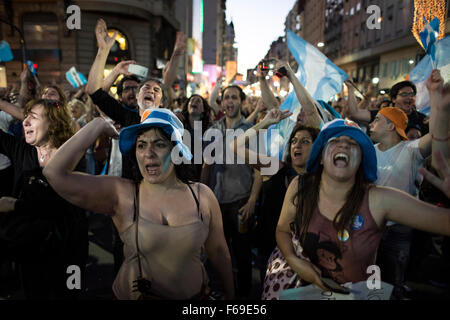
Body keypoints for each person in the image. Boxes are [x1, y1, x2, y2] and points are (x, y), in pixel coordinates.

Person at [43, 108, 235, 300]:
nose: (148, 153)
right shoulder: (122, 194)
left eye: (159, 144)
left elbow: (219, 252)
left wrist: (232, 297)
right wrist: (98, 124)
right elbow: (54, 173)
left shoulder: (202, 196)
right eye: (141, 145)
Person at [275, 119, 450, 298]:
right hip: (308, 292)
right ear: (320, 157)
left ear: (361, 161)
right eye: (334, 141)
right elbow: (282, 230)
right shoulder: (301, 187)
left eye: (353, 143)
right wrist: (293, 260)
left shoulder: (378, 199)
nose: (343, 144)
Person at [0, 99, 88, 299]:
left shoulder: (73, 156)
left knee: (70, 295)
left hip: (69, 248)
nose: (25, 122)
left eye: (33, 117)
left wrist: (14, 205)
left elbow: (61, 205)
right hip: (30, 248)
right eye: (25, 117)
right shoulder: (21, 150)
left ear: (54, 123)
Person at [231, 108, 320, 286]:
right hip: (270, 249)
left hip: (309, 257)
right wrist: (265, 123)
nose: (297, 145)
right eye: (294, 141)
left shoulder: (324, 179)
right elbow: (235, 147)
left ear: (318, 148)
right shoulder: (276, 167)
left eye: (305, 141)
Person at [201, 85, 262, 298]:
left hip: (241, 203)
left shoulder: (250, 130)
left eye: (234, 97)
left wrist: (253, 200)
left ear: (242, 101)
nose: (229, 101)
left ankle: (243, 298)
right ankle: (222, 293)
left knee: (242, 256)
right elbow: (206, 167)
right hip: (216, 203)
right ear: (221, 103)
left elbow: (259, 169)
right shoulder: (213, 130)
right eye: (226, 97)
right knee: (217, 255)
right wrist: (202, 199)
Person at [178, 94, 214, 181]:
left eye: (198, 101)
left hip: (200, 178)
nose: (194, 102)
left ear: (203, 110)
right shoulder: (179, 126)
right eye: (192, 100)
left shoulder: (209, 129)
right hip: (180, 177)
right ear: (187, 107)